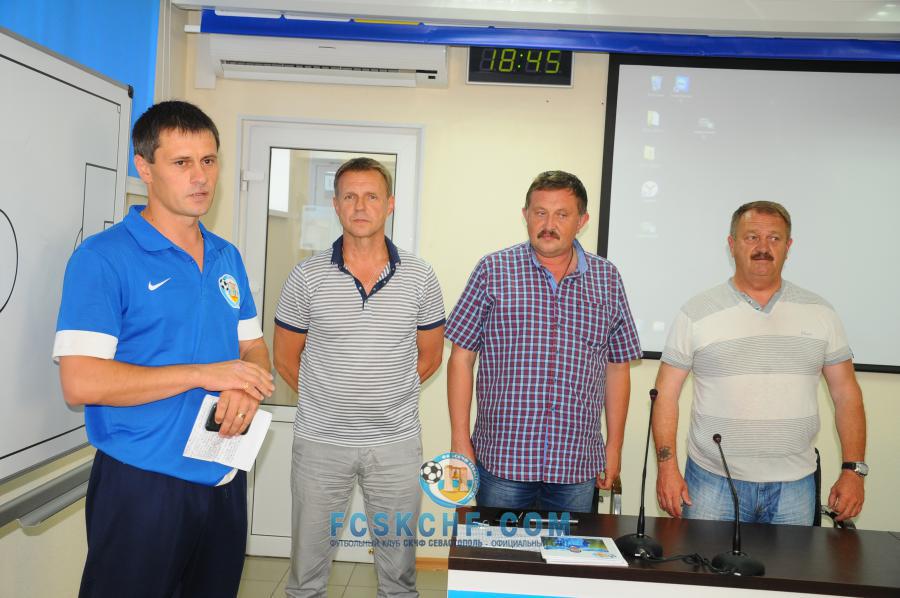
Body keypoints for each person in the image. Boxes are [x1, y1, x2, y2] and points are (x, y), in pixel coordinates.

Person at [53, 100, 275, 597]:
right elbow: (80, 382)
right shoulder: (103, 258)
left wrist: (246, 387)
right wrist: (205, 374)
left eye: (209, 160)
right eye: (182, 162)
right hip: (142, 481)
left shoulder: (226, 256)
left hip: (223, 475)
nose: (201, 177)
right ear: (145, 168)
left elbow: (254, 348)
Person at [273, 157, 445, 597]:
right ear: (335, 205)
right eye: (349, 196)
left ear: (390, 204)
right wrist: (328, 401)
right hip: (320, 442)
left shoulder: (421, 277)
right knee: (306, 576)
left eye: (371, 196)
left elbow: (430, 357)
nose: (360, 206)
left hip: (396, 444)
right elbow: (285, 358)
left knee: (399, 577)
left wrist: (388, 395)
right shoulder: (306, 276)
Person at [653, 201, 867, 525]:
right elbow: (665, 395)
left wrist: (854, 470)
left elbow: (847, 395)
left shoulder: (821, 313)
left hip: (795, 487)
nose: (763, 248)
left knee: (792, 563)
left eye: (774, 238)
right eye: (752, 237)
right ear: (732, 244)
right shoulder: (696, 313)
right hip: (711, 484)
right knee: (701, 562)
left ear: (788, 247)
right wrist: (667, 468)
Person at [444, 170, 642, 513]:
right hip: (503, 461)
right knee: (498, 549)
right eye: (540, 213)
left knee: (570, 550)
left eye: (562, 214)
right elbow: (461, 358)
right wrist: (460, 440)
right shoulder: (493, 270)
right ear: (525, 215)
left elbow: (618, 367)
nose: (549, 224)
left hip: (575, 465)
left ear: (582, 221)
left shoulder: (607, 279)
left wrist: (614, 447)